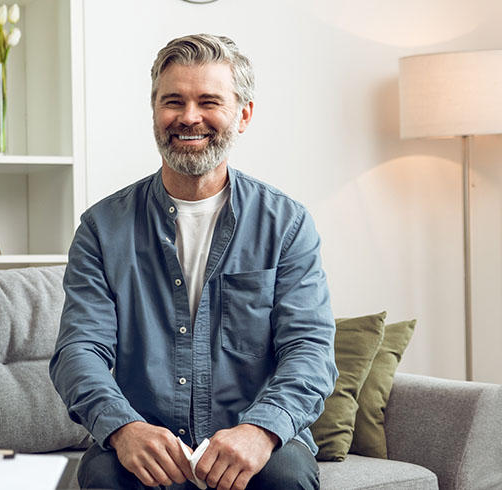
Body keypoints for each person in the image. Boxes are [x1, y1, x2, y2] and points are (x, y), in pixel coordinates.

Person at [49, 34, 337, 490]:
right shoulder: (102, 228)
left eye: (208, 101)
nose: (189, 117)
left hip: (257, 441)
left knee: (287, 477)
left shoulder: (287, 224)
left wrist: (261, 430)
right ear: (154, 112)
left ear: (243, 115)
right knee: (103, 475)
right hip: (148, 441)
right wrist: (124, 429)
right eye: (173, 101)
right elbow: (78, 351)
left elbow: (310, 351)